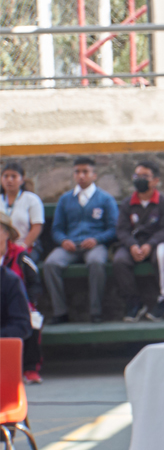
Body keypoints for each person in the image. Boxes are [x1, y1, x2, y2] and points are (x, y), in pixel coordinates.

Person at [42, 156, 118, 325]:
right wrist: (63, 241)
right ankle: (60, 312)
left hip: (95, 245)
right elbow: (57, 228)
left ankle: (95, 311)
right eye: (77, 172)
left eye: (85, 172)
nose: (81, 175)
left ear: (94, 175)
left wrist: (97, 239)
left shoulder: (105, 199)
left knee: (96, 263)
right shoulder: (65, 199)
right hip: (70, 245)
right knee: (50, 264)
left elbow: (113, 229)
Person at [112, 161, 164, 323]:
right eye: (137, 176)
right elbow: (122, 229)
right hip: (133, 244)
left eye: (145, 176)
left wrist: (150, 244)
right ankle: (134, 302)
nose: (139, 179)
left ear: (155, 180)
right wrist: (132, 245)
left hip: (157, 243)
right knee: (119, 260)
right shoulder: (128, 203)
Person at [0, 212, 43, 383]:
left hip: (20, 302)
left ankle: (30, 368)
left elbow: (35, 283)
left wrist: (31, 302)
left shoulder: (20, 255)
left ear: (6, 233)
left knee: (31, 320)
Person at [1, 162, 44, 255]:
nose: (9, 180)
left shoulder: (32, 199)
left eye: (14, 176)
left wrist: (22, 247)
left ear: (22, 180)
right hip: (2, 247)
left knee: (20, 261)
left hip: (25, 246)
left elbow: (37, 227)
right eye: (6, 176)